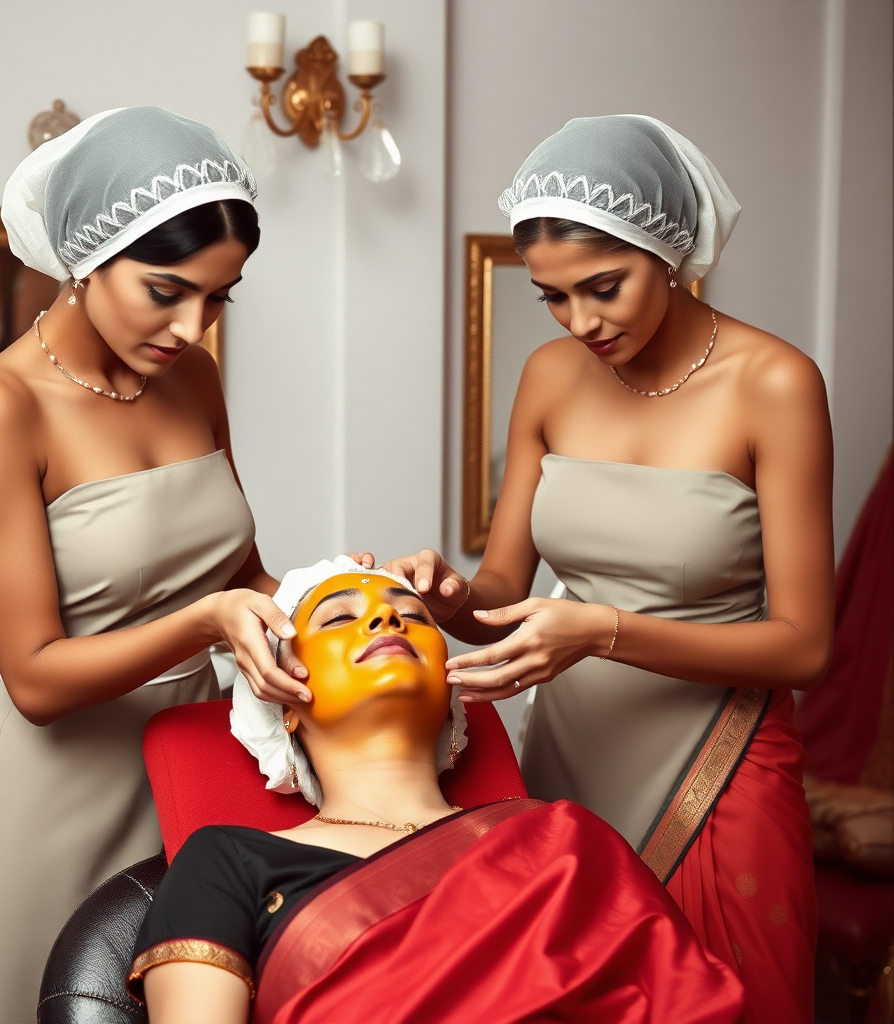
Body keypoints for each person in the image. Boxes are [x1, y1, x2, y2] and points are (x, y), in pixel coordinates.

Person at [379, 116, 831, 1023]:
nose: (579, 320)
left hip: (721, 757)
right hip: (569, 752)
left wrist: (605, 632)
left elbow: (806, 646)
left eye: (603, 287)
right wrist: (451, 597)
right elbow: (505, 588)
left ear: (669, 254)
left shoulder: (774, 384)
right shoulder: (550, 375)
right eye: (551, 295)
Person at [0, 107, 312, 1024]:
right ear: (86, 256)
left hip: (193, 762)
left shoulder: (190, 377)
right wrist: (208, 620)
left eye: (218, 297)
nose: (194, 327)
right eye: (167, 291)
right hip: (55, 782)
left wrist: (354, 593)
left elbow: (249, 574)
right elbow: (34, 678)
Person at [129, 559, 745, 1024]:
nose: (385, 618)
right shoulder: (226, 863)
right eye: (339, 618)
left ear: (455, 693)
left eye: (414, 615)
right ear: (282, 698)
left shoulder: (566, 842)